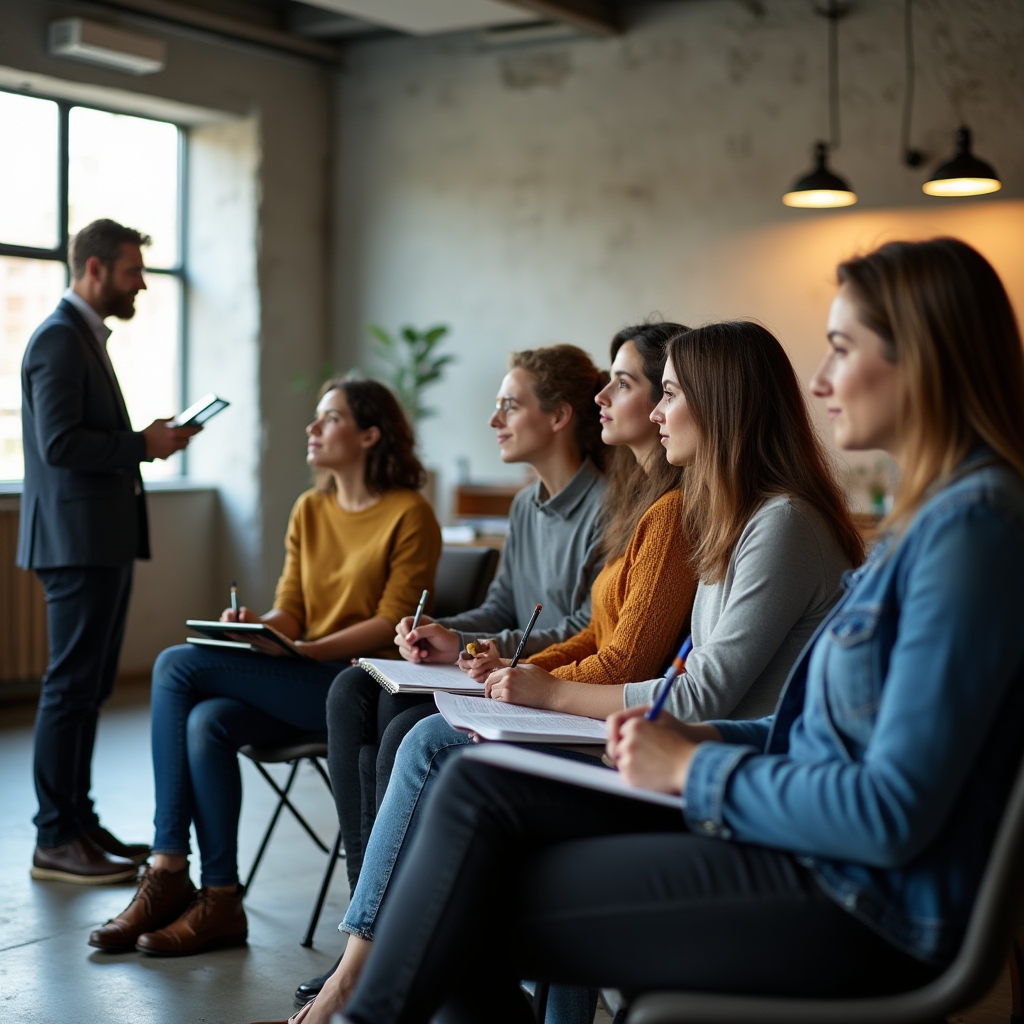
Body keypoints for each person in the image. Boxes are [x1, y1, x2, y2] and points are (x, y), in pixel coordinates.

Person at [331, 238, 1024, 1024]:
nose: (822, 380)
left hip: (853, 896)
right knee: (471, 786)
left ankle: (360, 1007)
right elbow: (809, 736)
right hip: (799, 842)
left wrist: (693, 769)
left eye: (840, 348)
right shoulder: (927, 526)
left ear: (923, 359)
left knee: (460, 882)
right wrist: (683, 746)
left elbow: (890, 809)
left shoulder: (972, 535)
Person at [286, 317, 861, 1023]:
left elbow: (701, 692)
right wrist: (515, 674)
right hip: (688, 756)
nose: (653, 413)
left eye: (667, 394)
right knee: (424, 743)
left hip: (716, 777)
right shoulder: (731, 520)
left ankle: (361, 990)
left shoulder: (781, 524)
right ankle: (372, 983)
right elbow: (672, 665)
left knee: (440, 751)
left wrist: (550, 690)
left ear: (720, 406)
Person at [294, 332, 664, 1009]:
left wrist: (491, 650)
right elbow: (501, 606)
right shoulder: (525, 506)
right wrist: (445, 633)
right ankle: (373, 916)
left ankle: (392, 935)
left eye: (508, 405)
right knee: (356, 689)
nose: (493, 420)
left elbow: (585, 629)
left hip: (549, 679)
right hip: (511, 666)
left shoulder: (617, 505)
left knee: (411, 722)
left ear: (557, 417)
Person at [88, 377, 441, 956]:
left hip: (355, 688)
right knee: (207, 723)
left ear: (371, 435)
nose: (312, 428)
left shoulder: (410, 513)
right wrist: (259, 625)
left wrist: (301, 651)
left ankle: (169, 864)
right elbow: (294, 608)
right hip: (300, 672)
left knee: (176, 668)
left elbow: (389, 622)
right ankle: (222, 899)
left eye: (329, 419)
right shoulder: (310, 508)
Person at [19, 219, 200, 885]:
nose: (143, 284)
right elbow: (60, 445)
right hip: (76, 543)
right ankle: (53, 837)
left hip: (98, 538)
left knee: (88, 687)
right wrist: (142, 444)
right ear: (94, 270)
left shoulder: (82, 338)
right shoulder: (59, 341)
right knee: (70, 688)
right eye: (132, 271)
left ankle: (78, 821)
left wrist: (143, 442)